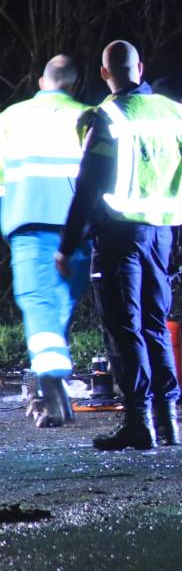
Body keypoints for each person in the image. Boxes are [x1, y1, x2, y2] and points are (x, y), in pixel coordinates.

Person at [55, 40, 182, 450]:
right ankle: (167, 422)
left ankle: (138, 422)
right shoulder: (177, 114)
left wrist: (67, 244)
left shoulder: (108, 117)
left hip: (119, 237)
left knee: (124, 329)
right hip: (163, 237)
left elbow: (88, 186)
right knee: (155, 326)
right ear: (141, 67)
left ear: (105, 73)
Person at [0, 55, 91, 428]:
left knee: (39, 307)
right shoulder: (88, 115)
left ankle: (51, 385)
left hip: (29, 224)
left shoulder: (11, 118)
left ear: (41, 82)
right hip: (78, 230)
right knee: (61, 306)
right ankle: (50, 385)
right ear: (75, 84)